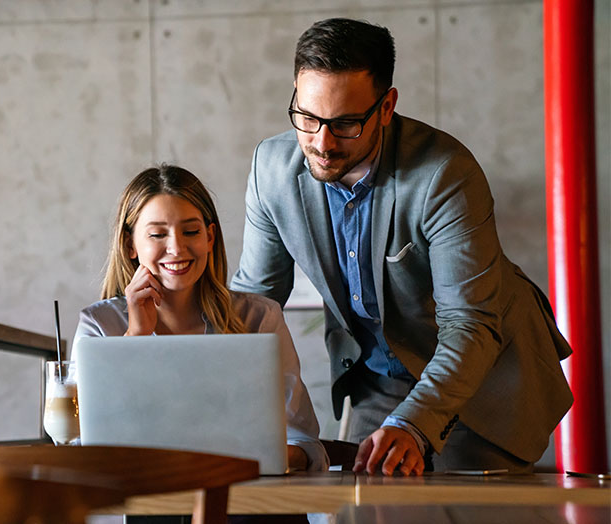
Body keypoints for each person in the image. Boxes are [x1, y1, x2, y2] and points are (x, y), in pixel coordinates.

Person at [230, 17, 573, 476]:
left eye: (346, 123)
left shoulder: (443, 174)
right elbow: (253, 303)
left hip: (479, 383)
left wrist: (413, 425)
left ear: (387, 106)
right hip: (376, 378)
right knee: (361, 506)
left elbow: (470, 322)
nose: (322, 142)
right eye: (308, 118)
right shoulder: (270, 169)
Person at [74, 164, 329, 472]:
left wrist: (254, 459)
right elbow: (82, 448)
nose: (177, 248)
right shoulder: (98, 327)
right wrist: (135, 340)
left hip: (244, 502)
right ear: (130, 245)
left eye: (191, 231)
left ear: (210, 237)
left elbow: (305, 445)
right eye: (157, 234)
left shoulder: (259, 318)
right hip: (147, 505)